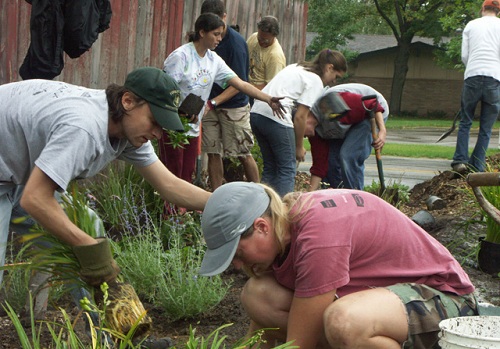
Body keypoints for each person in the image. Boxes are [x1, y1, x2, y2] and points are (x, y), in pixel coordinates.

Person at [0, 66, 210, 347]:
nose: (158, 133)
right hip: (9, 176)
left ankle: (117, 339)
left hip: (16, 173)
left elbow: (169, 186)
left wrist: (226, 201)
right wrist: (89, 248)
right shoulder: (84, 128)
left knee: (90, 229)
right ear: (128, 101)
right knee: (87, 246)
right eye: (155, 121)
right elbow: (35, 199)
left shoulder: (129, 130)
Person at [198, 182, 478, 349]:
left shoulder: (318, 234)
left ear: (261, 227)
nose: (235, 264)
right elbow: (262, 332)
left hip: (446, 300)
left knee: (344, 322)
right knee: (258, 295)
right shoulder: (286, 229)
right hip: (391, 303)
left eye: (235, 252)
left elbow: (298, 344)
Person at [159, 13, 284, 188]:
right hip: (173, 126)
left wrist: (268, 98)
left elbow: (240, 83)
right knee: (172, 174)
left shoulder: (213, 59)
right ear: (202, 33)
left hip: (192, 126)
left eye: (220, 34)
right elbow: (165, 90)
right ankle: (168, 213)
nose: (219, 38)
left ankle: (180, 213)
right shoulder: (181, 57)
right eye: (215, 34)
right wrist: (178, 112)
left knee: (186, 175)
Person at [250, 49, 347, 197]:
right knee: (287, 169)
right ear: (329, 67)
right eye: (335, 76)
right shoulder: (315, 80)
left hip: (257, 113)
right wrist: (299, 146)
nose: (334, 81)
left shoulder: (297, 67)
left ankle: (262, 208)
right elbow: (300, 117)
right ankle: (283, 213)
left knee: (271, 167)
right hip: (276, 118)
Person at [200, 0, 259, 190]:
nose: (214, 32)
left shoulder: (235, 44)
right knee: (212, 151)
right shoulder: (204, 40)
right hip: (210, 104)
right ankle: (216, 195)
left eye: (217, 26)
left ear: (224, 17)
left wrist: (214, 102)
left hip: (233, 106)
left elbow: (240, 83)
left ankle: (259, 193)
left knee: (243, 152)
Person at [304, 84, 389, 190]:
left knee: (348, 155)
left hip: (372, 112)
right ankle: (340, 196)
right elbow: (319, 165)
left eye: (299, 133)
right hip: (347, 121)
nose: (303, 137)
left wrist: (382, 130)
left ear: (302, 120)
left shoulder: (328, 104)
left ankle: (356, 197)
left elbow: (372, 104)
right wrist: (308, 196)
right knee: (331, 162)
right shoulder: (315, 133)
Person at [451, 0, 500, 174]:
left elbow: (465, 55)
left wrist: (472, 66)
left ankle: (460, 161)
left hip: (472, 75)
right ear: (498, 11)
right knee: (486, 128)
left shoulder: (471, 25)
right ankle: (477, 166)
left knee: (466, 121)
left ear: (483, 9)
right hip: (494, 78)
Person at [247, 16, 286, 91]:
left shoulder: (275, 57)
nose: (261, 41)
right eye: (260, 37)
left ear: (274, 36)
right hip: (245, 82)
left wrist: (246, 89)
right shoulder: (253, 37)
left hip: (259, 94)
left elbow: (271, 87)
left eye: (265, 40)